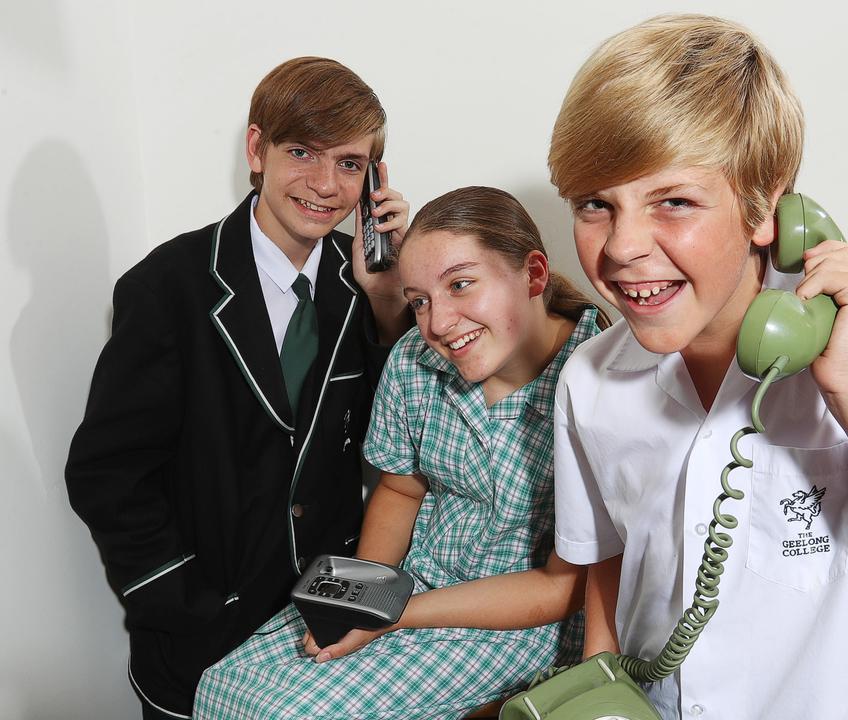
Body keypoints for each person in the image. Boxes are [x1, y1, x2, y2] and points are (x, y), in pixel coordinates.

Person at [548, 14, 848, 718]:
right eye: (596, 204)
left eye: (675, 202)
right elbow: (609, 558)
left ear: (765, 206)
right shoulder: (588, 378)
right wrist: (603, 688)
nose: (623, 247)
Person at [64, 57, 413, 719]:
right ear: (258, 149)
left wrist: (391, 302)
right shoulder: (166, 288)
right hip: (202, 637)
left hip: (323, 622)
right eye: (302, 152)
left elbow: (392, 448)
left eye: (349, 164)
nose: (324, 184)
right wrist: (184, 605)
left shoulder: (368, 285)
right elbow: (105, 475)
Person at [195, 186, 611, 718]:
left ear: (533, 275)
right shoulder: (415, 360)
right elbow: (399, 488)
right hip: (413, 583)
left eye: (461, 285)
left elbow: (561, 591)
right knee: (224, 686)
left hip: (519, 620)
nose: (438, 323)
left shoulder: (597, 383)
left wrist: (394, 615)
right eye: (419, 301)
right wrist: (361, 599)